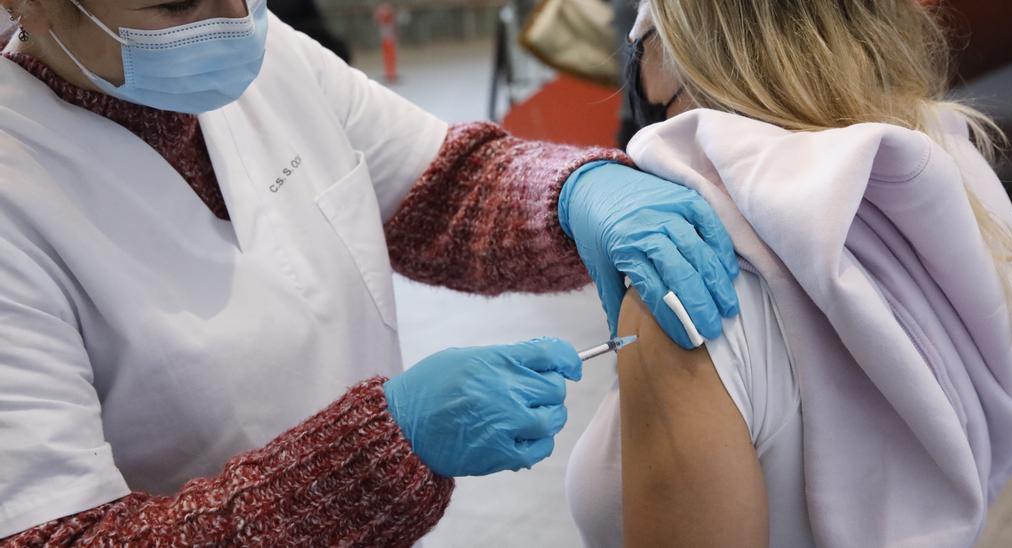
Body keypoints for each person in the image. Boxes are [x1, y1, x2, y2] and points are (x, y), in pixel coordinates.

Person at [0, 0, 741, 544]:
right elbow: (61, 536)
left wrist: (571, 194)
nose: (231, 21)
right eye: (176, 4)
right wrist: (382, 448)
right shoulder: (17, 193)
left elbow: (449, 185)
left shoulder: (273, 60)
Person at [567, 1, 1012, 546]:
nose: (651, 105)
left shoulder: (689, 299)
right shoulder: (954, 208)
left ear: (694, 53)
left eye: (640, 47)